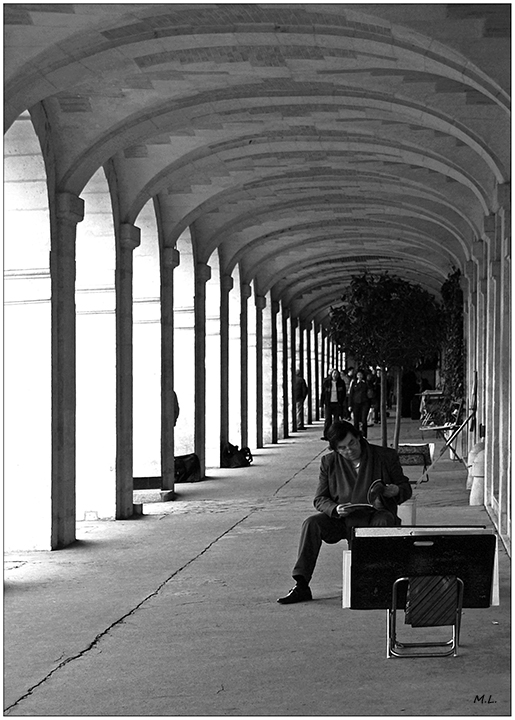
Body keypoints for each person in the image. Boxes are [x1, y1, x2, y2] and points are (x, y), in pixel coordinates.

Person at [277, 420, 412, 604]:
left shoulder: (385, 456)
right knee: (312, 524)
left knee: (384, 522)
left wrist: (395, 490)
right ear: (335, 449)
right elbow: (320, 499)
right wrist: (335, 508)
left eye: (352, 443)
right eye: (342, 448)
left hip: (375, 516)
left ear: (359, 437)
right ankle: (301, 584)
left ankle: (380, 582)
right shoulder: (329, 462)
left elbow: (405, 488)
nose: (349, 450)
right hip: (342, 519)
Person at [320, 369, 347, 439]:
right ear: (331, 374)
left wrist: (343, 403)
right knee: (328, 419)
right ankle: (326, 435)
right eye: (333, 373)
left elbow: (344, 394)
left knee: (336, 420)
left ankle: (336, 434)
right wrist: (321, 404)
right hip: (328, 403)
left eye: (336, 374)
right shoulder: (326, 383)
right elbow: (323, 394)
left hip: (337, 403)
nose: (335, 375)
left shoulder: (341, 383)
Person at [348, 369, 371, 437]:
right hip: (356, 403)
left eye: (361, 375)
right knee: (356, 419)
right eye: (358, 375)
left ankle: (364, 434)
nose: (360, 376)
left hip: (365, 403)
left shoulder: (366, 383)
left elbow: (370, 392)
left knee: (364, 419)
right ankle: (356, 434)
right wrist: (350, 405)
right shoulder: (354, 383)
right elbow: (351, 394)